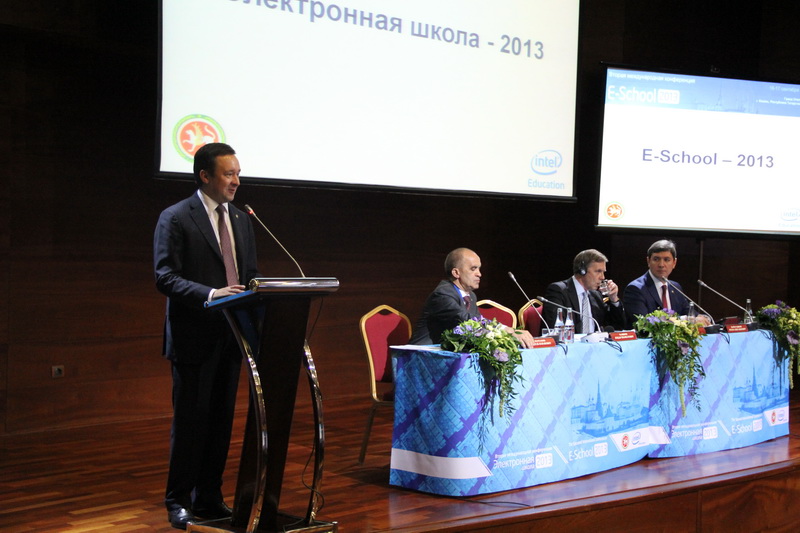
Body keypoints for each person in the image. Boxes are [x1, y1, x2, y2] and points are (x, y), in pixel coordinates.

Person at [153, 143, 260, 530]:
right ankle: (178, 500)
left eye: (238, 174)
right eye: (229, 174)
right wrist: (212, 294)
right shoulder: (176, 217)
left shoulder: (242, 220)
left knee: (220, 423)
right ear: (204, 176)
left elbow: (249, 277)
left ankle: (210, 498)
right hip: (194, 339)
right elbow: (165, 277)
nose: (236, 182)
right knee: (191, 424)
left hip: (232, 338)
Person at [409, 248, 534, 348]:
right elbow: (467, 322)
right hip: (422, 355)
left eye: (479, 268)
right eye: (473, 269)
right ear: (456, 273)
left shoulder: (471, 296)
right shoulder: (443, 294)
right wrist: (508, 331)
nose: (479, 274)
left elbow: (476, 328)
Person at [623, 239, 709, 325]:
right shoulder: (636, 289)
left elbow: (689, 313)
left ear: (674, 263)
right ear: (648, 261)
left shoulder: (675, 287)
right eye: (656, 259)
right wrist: (685, 319)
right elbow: (644, 323)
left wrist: (703, 318)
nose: (661, 265)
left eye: (667, 260)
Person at [542, 249, 626, 333]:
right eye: (598, 271)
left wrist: (614, 299)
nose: (602, 277)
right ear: (582, 271)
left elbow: (617, 326)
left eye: (603, 272)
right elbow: (557, 329)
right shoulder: (559, 291)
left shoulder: (596, 295)